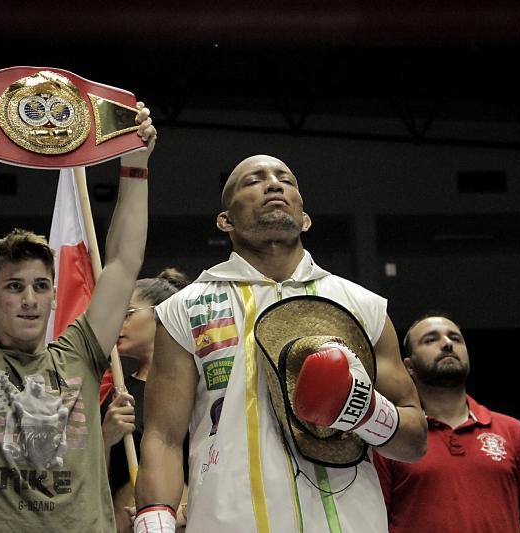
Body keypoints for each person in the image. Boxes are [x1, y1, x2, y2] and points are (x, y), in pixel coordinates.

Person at [0, 94, 155, 531]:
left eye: (40, 287)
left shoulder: (81, 353)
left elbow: (123, 264)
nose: (30, 299)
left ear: (55, 296)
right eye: (14, 287)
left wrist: (135, 163)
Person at [134, 155, 428, 532]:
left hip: (350, 521)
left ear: (304, 219)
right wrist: (154, 518)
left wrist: (367, 412)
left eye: (285, 180)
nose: (273, 184)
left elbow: (415, 439)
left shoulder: (363, 306)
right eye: (252, 181)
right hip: (229, 520)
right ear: (225, 221)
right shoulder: (183, 309)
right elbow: (162, 437)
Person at [374, 313, 520, 533]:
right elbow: (374, 524)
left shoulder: (512, 430)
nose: (447, 344)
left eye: (455, 338)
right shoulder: (396, 435)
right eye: (430, 340)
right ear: (409, 367)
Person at [101, 269, 191, 532]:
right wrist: (105, 438)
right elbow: (89, 481)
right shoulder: (115, 395)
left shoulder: (197, 393)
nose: (118, 322)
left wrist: (182, 513)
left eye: (127, 313)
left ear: (162, 314)